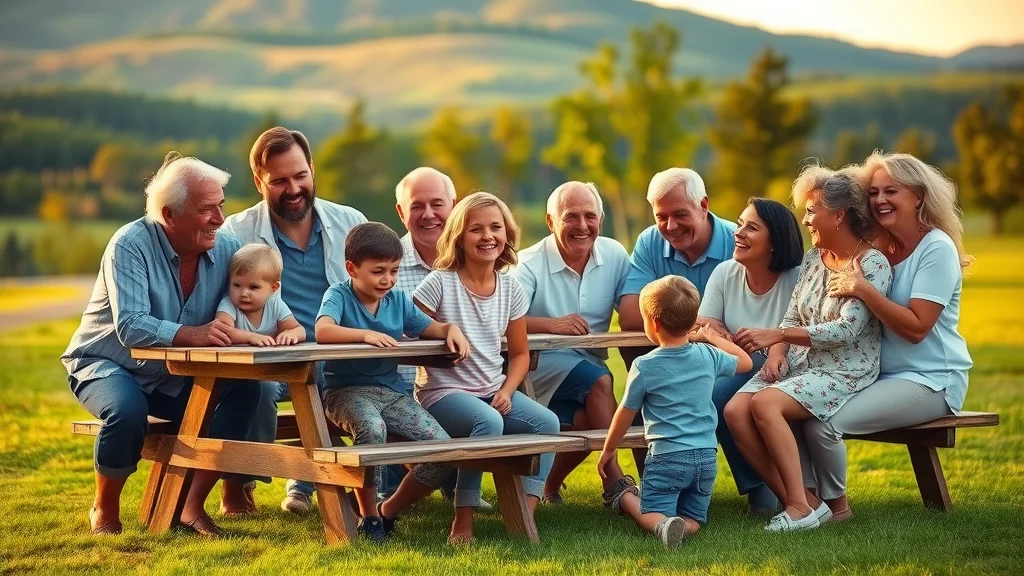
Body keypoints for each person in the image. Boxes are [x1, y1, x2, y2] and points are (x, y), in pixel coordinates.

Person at [61, 152, 260, 537]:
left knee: (245, 391)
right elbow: (131, 327)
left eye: (221, 205)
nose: (219, 219)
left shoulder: (227, 248)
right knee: (127, 411)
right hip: (108, 363)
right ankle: (104, 509)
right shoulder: (129, 244)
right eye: (207, 210)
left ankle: (190, 506)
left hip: (174, 375)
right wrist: (193, 334)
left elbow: (256, 297)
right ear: (170, 215)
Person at [800, 151, 974, 520]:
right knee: (798, 405)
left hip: (931, 380)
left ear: (918, 197)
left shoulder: (936, 249)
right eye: (874, 192)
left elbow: (916, 328)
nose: (880, 200)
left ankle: (833, 510)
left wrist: (864, 290)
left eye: (891, 191)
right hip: (876, 375)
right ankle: (803, 503)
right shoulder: (878, 248)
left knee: (823, 420)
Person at [724, 166, 893, 532]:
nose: (806, 219)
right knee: (736, 409)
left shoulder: (871, 264)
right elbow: (793, 309)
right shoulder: (815, 259)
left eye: (812, 211)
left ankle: (799, 507)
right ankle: (805, 502)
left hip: (844, 369)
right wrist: (780, 349)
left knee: (765, 403)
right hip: (803, 363)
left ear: (839, 214)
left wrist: (777, 335)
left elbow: (848, 330)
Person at [221, 126, 367, 514]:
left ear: (312, 169)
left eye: (300, 175)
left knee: (383, 387)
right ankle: (240, 483)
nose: (294, 188)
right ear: (259, 182)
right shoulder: (235, 233)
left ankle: (365, 488)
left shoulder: (349, 221)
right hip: (270, 357)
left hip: (338, 358)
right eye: (280, 180)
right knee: (259, 391)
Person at [412, 192, 560, 544]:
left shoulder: (511, 288)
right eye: (476, 229)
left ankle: (523, 511)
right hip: (441, 393)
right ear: (460, 237)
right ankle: (462, 521)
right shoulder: (440, 282)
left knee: (548, 423)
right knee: (488, 421)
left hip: (492, 389)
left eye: (495, 227)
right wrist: (443, 335)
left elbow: (520, 354)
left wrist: (507, 391)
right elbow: (408, 328)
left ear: (507, 234)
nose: (487, 236)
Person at [315, 222, 470, 542]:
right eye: (378, 271)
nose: (387, 279)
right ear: (352, 269)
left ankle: (389, 510)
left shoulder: (397, 301)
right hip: (344, 392)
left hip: (391, 392)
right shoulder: (339, 294)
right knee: (373, 430)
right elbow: (323, 331)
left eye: (394, 270)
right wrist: (365, 336)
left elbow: (431, 328)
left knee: (444, 449)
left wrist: (450, 329)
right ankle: (369, 517)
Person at [599, 276, 752, 548]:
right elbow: (745, 361)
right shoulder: (708, 354)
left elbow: (624, 412)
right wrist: (710, 336)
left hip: (667, 457)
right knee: (694, 518)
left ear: (654, 323)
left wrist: (609, 450)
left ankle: (630, 502)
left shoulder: (644, 365)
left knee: (651, 512)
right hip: (706, 458)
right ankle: (683, 526)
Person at [512, 181, 634, 505]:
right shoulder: (529, 263)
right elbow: (500, 320)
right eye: (571, 217)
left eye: (590, 216)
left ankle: (549, 487)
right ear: (551, 222)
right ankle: (615, 480)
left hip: (586, 360)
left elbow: (632, 309)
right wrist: (552, 326)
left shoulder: (615, 253)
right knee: (601, 382)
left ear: (601, 218)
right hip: (538, 363)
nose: (582, 226)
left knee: (584, 421)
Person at [618, 167, 737, 474]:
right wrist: (698, 323)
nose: (670, 225)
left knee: (718, 395)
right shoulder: (649, 242)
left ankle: (758, 488)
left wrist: (685, 326)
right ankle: (655, 479)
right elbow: (631, 315)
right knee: (641, 379)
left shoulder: (738, 242)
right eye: (661, 216)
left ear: (704, 206)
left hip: (728, 354)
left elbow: (742, 320)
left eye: (680, 214)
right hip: (673, 352)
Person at [694, 197, 804, 515]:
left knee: (719, 397)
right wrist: (721, 333)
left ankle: (767, 492)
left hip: (789, 366)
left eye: (751, 227)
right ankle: (760, 488)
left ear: (775, 242)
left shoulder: (797, 277)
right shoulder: (726, 272)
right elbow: (705, 321)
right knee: (712, 395)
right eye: (740, 224)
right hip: (740, 362)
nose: (738, 233)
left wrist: (769, 350)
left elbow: (799, 330)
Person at [215, 244, 305, 347]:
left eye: (253, 287)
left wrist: (291, 334)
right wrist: (251, 337)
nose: (243, 293)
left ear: (273, 288)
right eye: (236, 285)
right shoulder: (229, 303)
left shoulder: (274, 304)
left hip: (270, 361)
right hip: (236, 361)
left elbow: (299, 330)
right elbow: (222, 331)